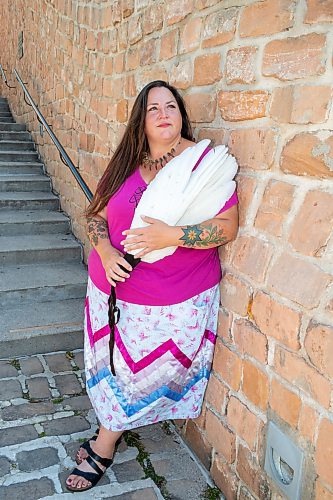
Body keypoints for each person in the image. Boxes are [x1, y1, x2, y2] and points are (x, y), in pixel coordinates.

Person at [66, 80, 239, 492]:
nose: (164, 114)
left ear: (181, 114)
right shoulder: (128, 161)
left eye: (171, 106)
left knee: (133, 378)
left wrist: (171, 236)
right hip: (108, 292)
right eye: (153, 108)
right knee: (112, 369)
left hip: (171, 299)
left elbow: (226, 227)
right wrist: (105, 250)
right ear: (141, 121)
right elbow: (96, 216)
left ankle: (105, 444)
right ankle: (110, 427)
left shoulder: (202, 164)